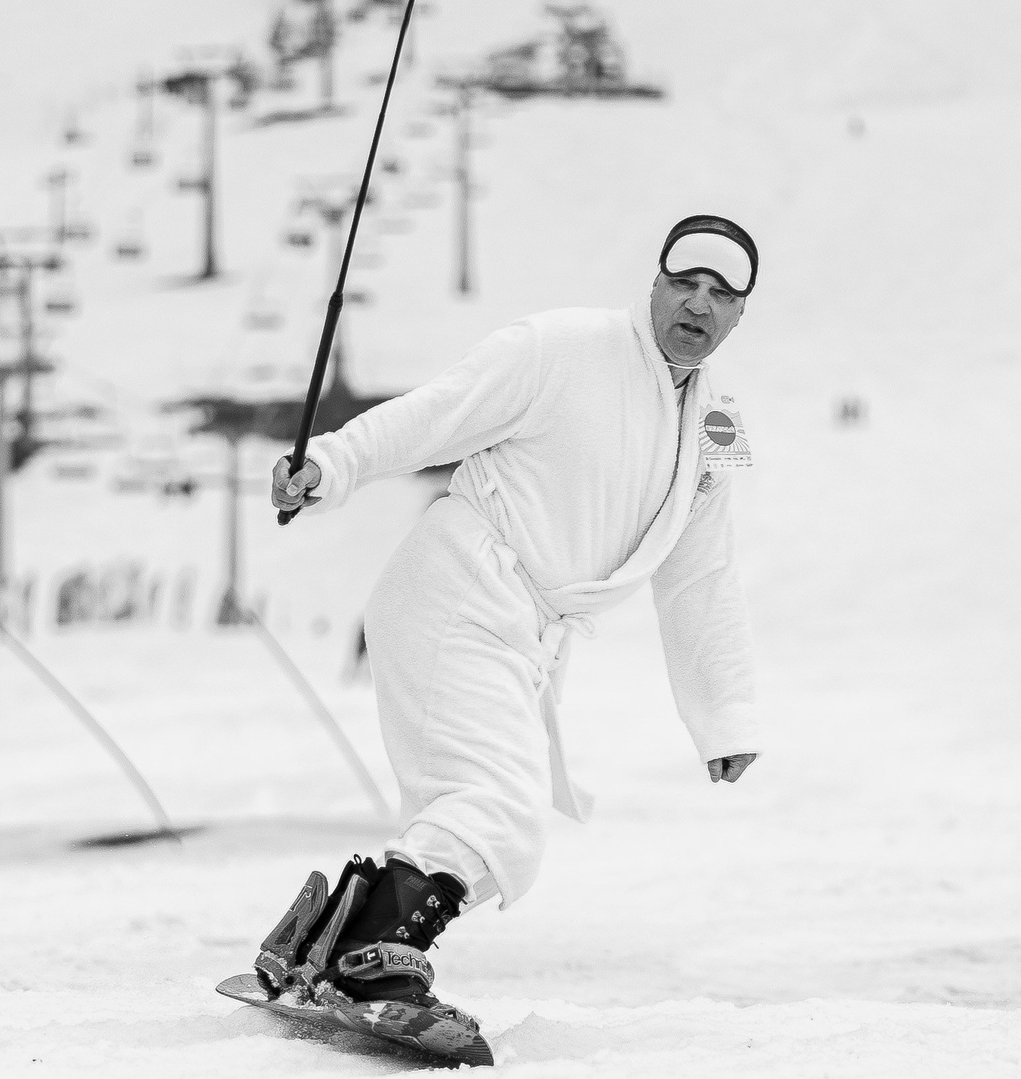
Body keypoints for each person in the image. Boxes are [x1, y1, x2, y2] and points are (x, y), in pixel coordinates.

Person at [247, 215, 765, 1033]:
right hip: (462, 587)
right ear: (656, 285)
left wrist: (724, 715)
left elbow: (703, 571)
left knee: (500, 820)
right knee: (497, 801)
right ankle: (368, 968)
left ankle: (330, 943)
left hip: (524, 629)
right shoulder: (561, 348)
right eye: (684, 283)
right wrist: (331, 466)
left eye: (721, 293)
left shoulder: (718, 425)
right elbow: (435, 415)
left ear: (741, 314)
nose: (697, 304)